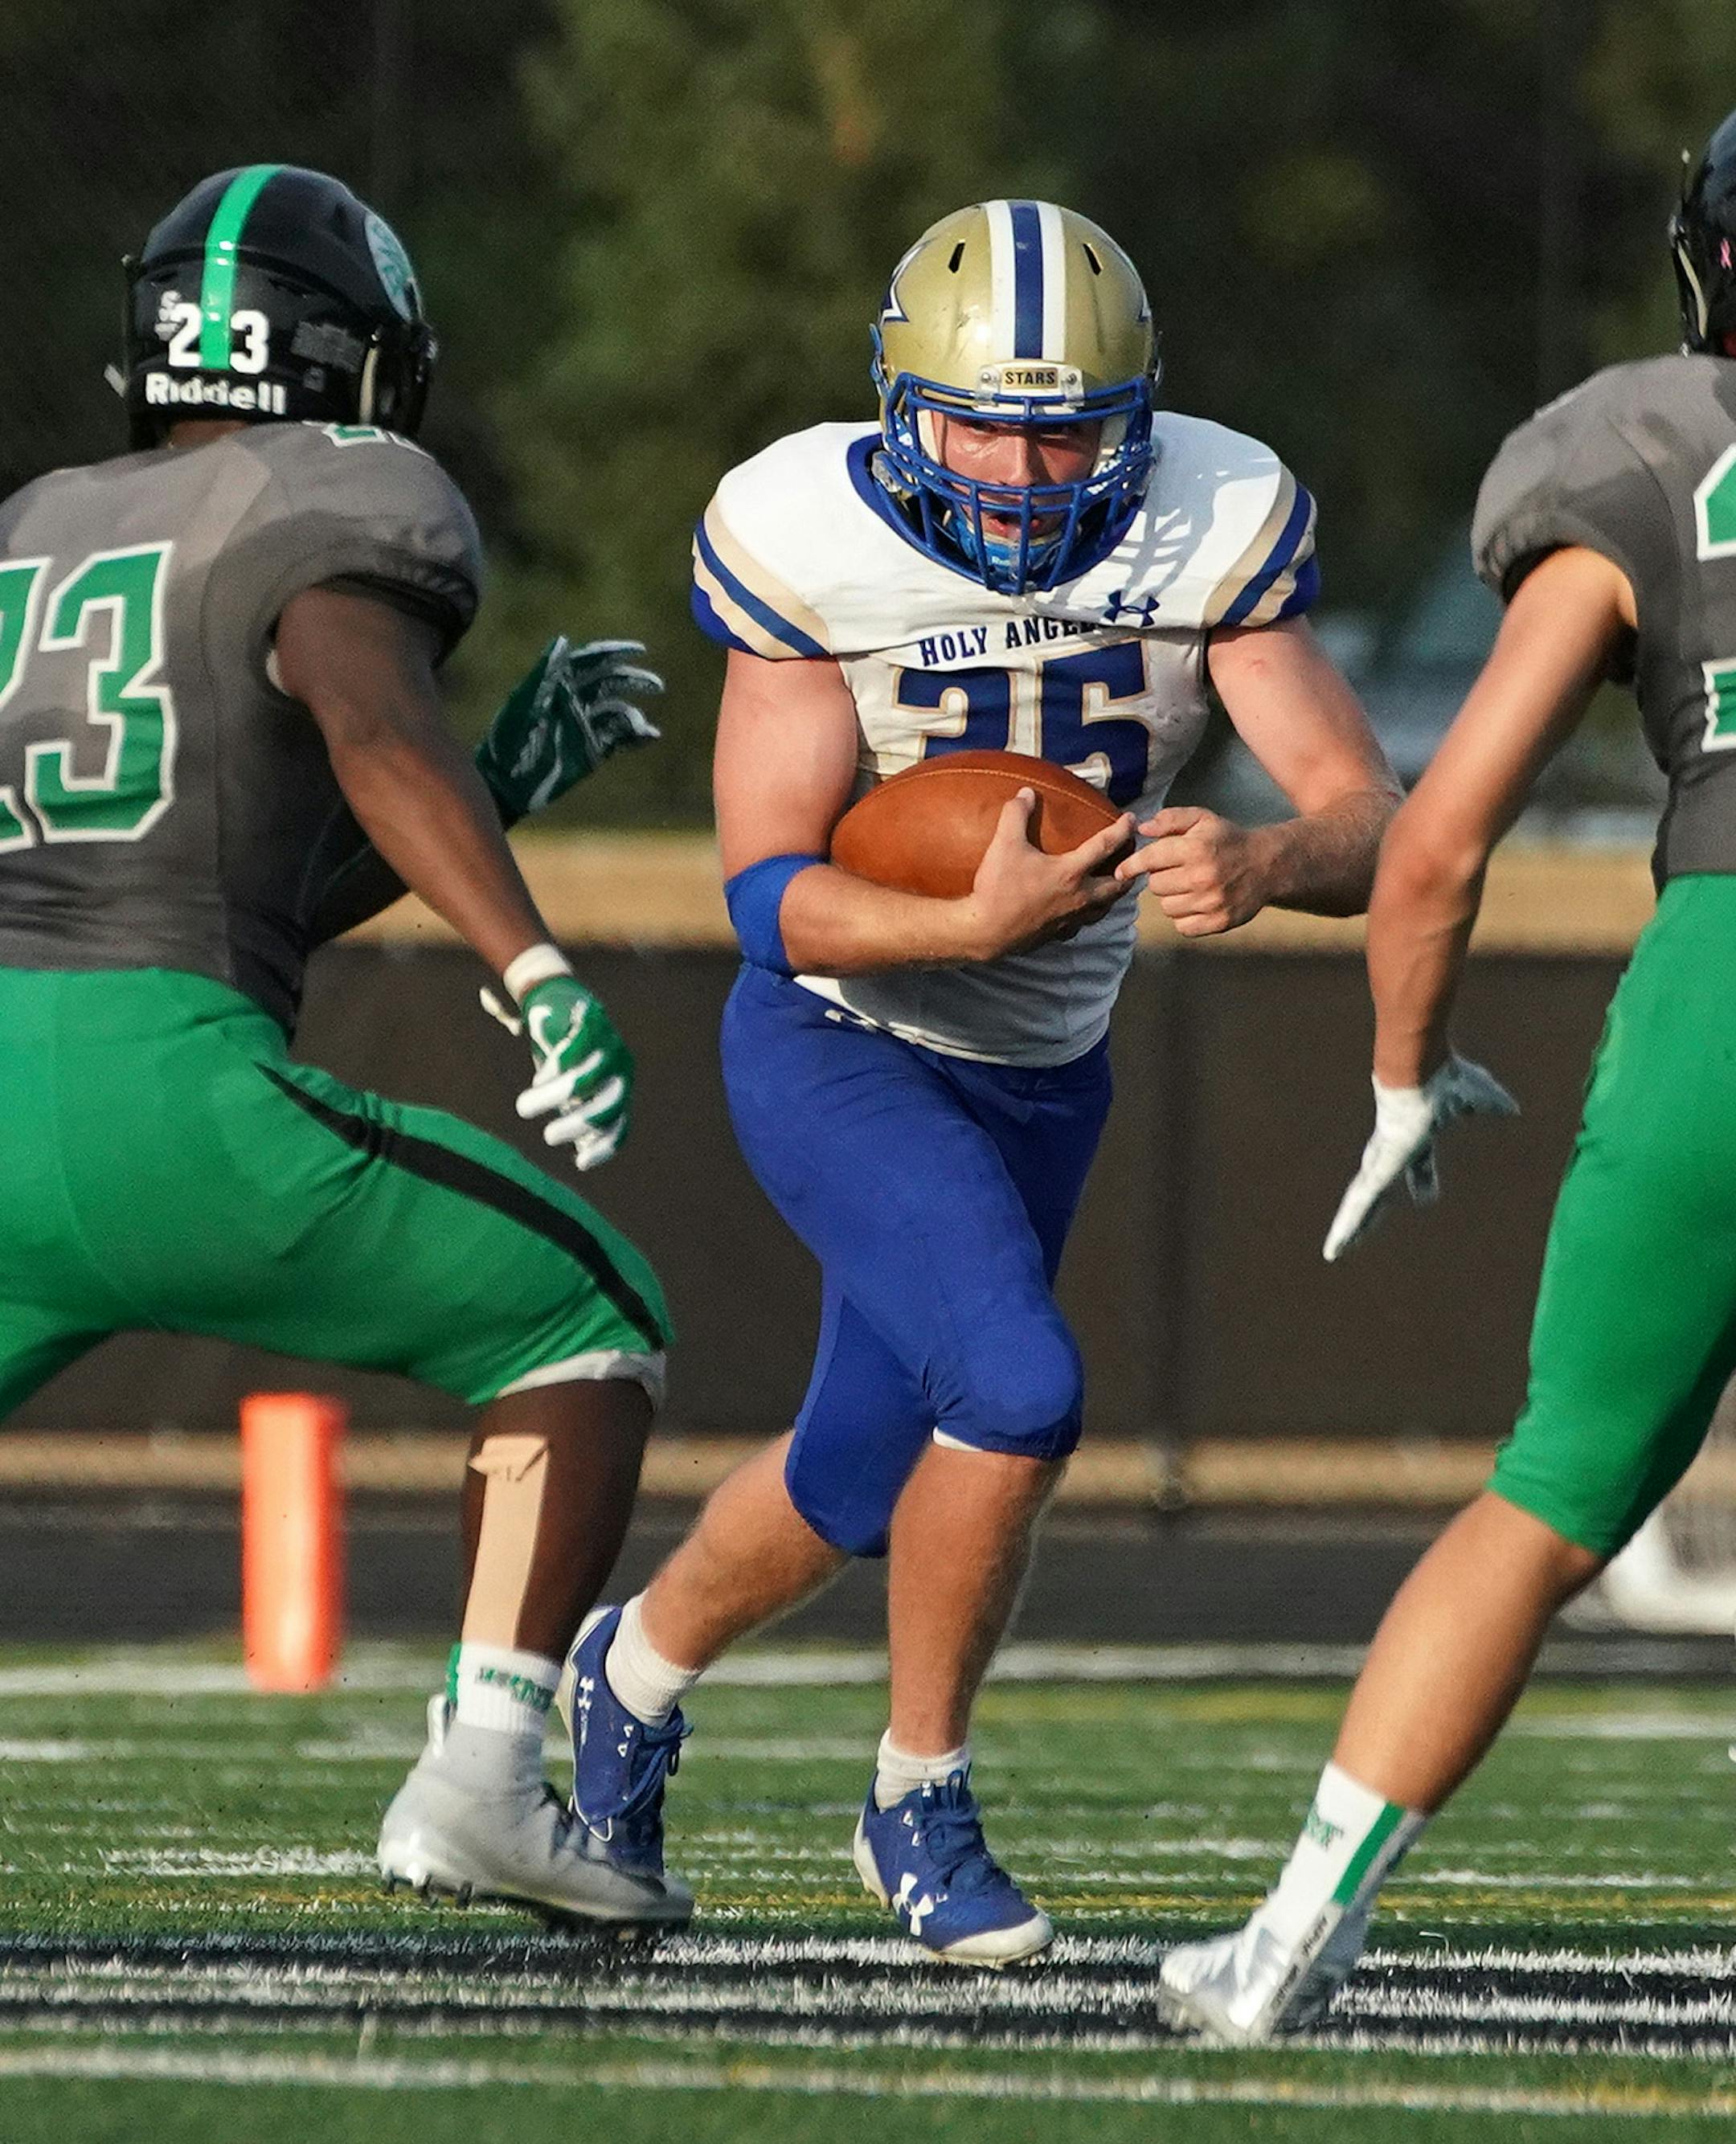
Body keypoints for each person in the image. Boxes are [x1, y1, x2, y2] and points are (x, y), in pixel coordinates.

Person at [560, 198, 1399, 1965]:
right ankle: (917, 1797)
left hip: (1045, 1066)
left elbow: (1371, 816)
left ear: (1138, 421)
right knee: (1017, 1388)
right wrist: (966, 923)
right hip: (842, 1039)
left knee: (859, 1473)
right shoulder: (808, 536)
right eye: (982, 427)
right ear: (901, 406)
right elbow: (768, 893)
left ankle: (626, 1674)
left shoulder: (1212, 517)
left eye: (1067, 432)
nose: (1023, 473)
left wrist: (1267, 862)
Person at [0, 163, 684, 1930]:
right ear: (346, 358)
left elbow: (253, 881)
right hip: (169, 1087)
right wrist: (530, 957)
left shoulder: (36, 521)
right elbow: (372, 723)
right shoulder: (340, 487)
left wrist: (494, 785)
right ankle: (483, 1780)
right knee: (581, 1314)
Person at [1158, 108, 1736, 2043]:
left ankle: (1288, 1940)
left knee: (1553, 1491)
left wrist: (1405, 1069)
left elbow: (1434, 842)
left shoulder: (1642, 449)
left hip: (1725, 982)